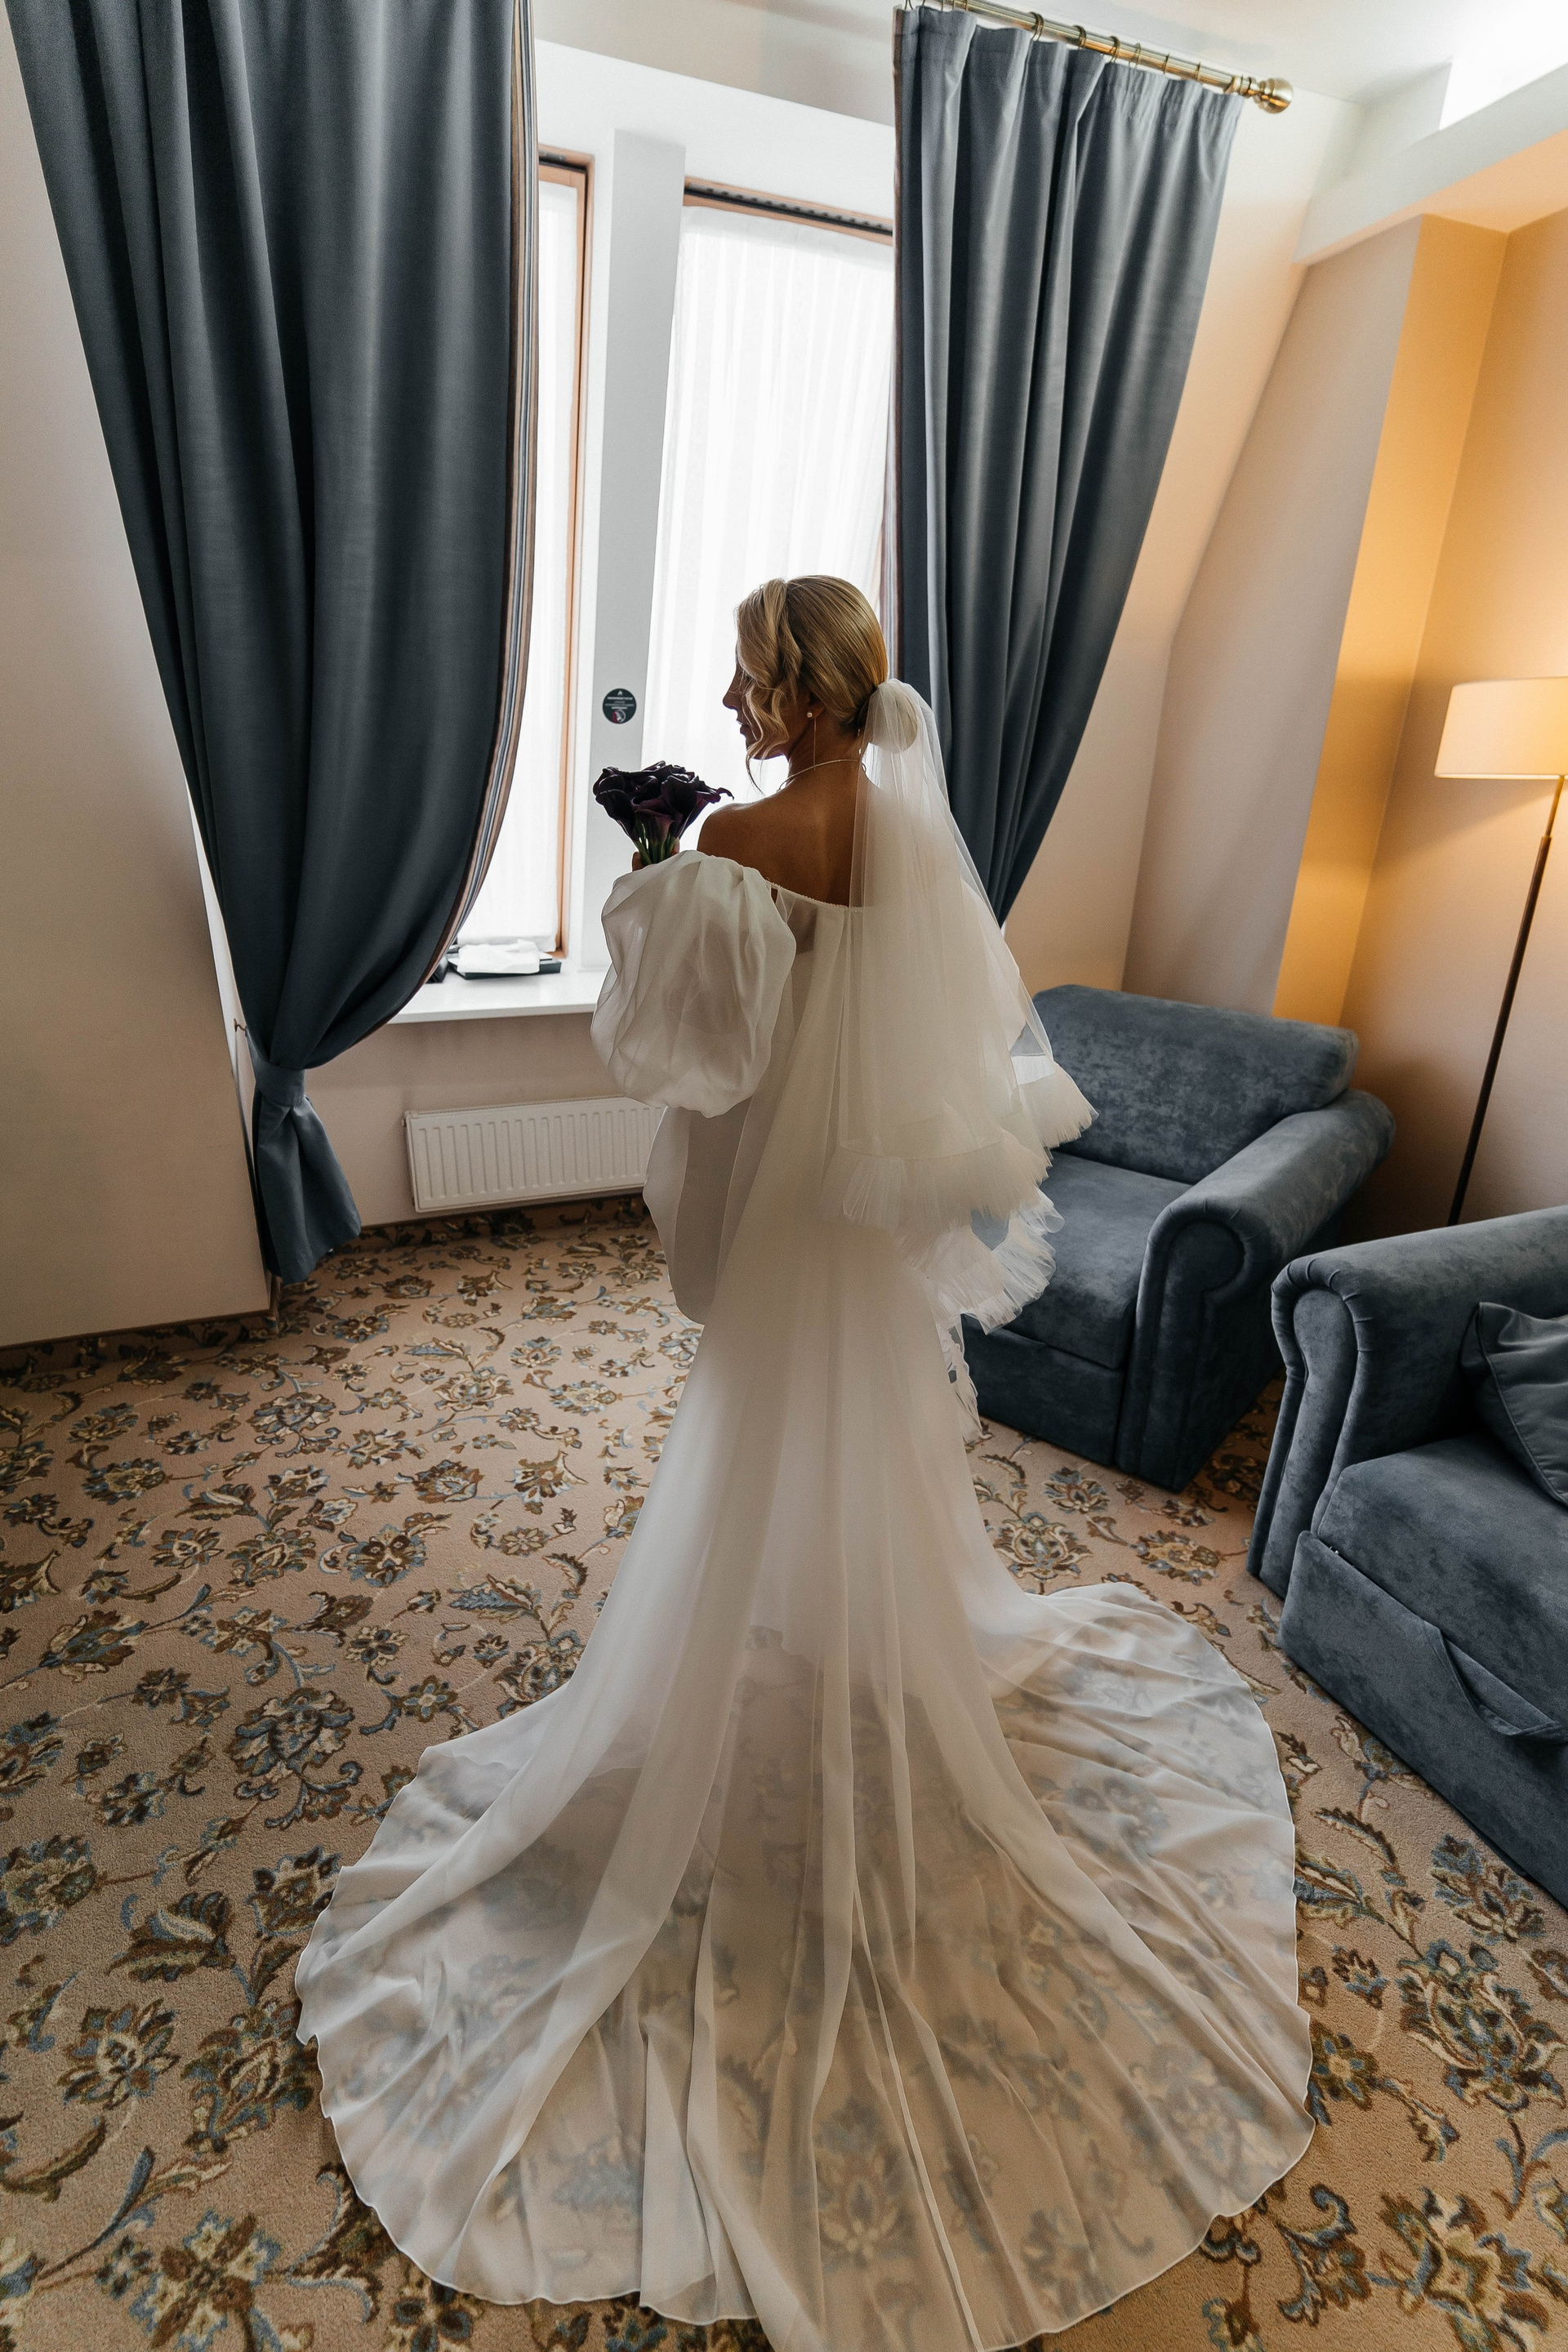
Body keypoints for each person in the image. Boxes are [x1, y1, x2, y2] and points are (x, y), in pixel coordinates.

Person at [296, 575, 1313, 2350]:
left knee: (758, 1428)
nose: (730, 702)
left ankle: (754, 1643)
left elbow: (692, 1056)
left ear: (808, 693)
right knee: (875, 1428)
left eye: (750, 678)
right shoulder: (910, 839)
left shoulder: (747, 839)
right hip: (864, 1221)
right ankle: (853, 1629)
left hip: (787, 1213)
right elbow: (912, 1041)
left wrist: (650, 881)